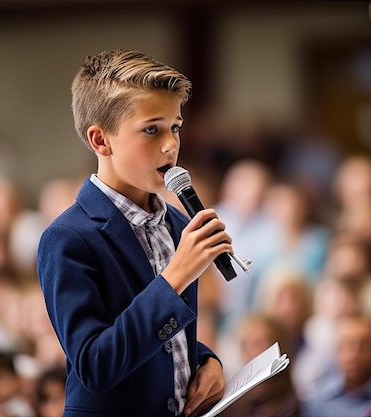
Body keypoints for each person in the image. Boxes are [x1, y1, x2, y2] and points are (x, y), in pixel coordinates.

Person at [36, 49, 228, 417]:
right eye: (152, 129)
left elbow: (168, 340)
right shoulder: (67, 239)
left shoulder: (176, 222)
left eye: (175, 127)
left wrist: (207, 360)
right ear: (101, 140)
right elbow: (95, 364)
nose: (171, 144)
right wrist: (176, 277)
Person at [301, 315, 371, 417]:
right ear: (336, 351)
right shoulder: (317, 401)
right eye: (347, 345)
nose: (354, 354)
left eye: (363, 346)